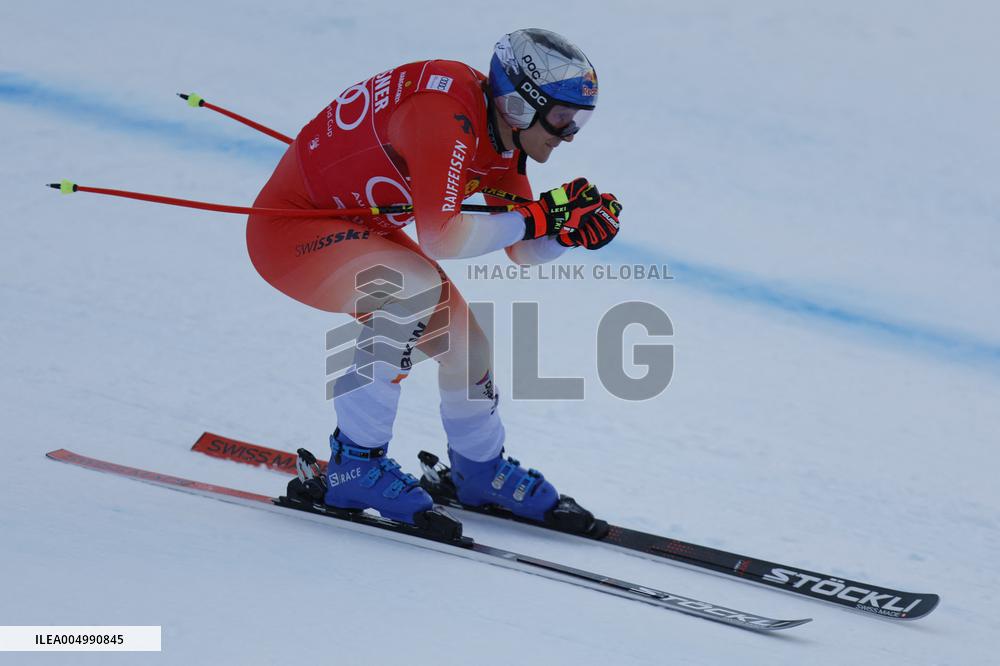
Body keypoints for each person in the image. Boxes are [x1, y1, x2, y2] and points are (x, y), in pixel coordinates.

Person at [246, 28, 622, 527]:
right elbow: (441, 238)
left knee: (469, 349)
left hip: (359, 227)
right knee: (411, 291)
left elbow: (521, 251)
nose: (568, 133)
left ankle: (478, 470)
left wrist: (570, 231)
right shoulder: (446, 115)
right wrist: (542, 216)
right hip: (292, 234)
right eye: (561, 117)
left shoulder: (501, 132)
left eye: (578, 121)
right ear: (520, 102)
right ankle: (354, 464)